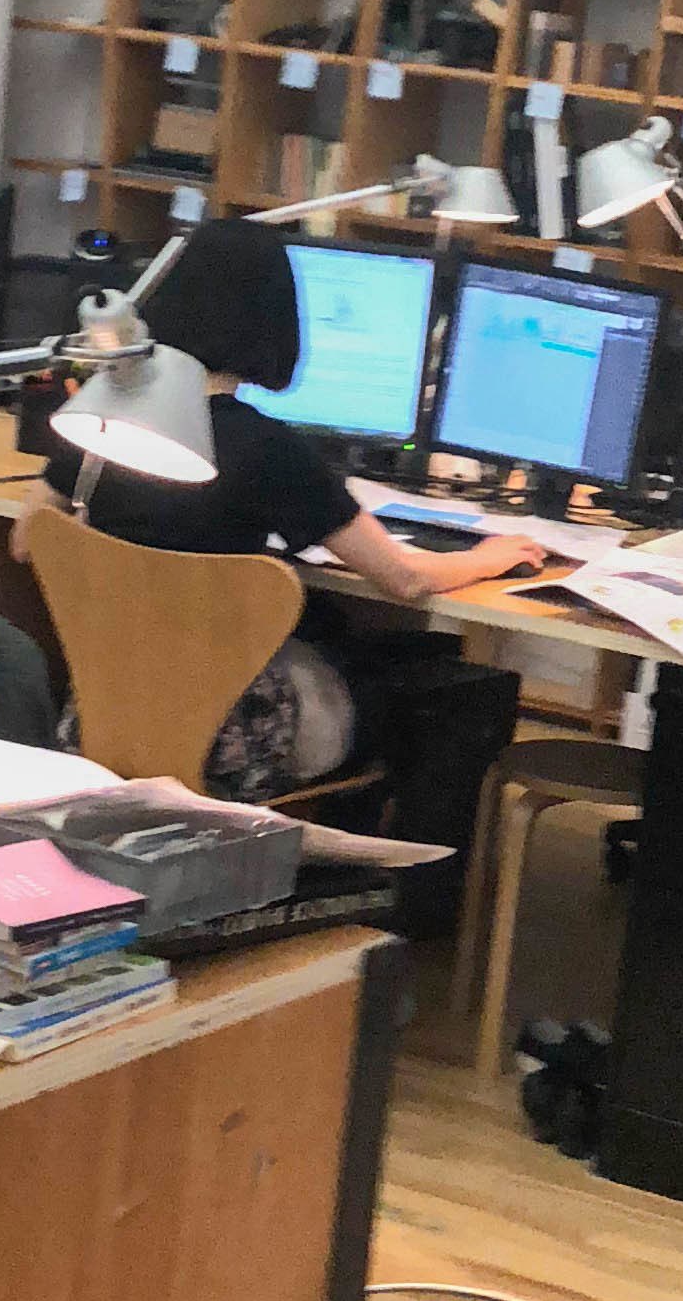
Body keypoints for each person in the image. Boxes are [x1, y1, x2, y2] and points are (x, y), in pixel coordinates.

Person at [53, 221, 524, 844]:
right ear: (273, 325)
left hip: (94, 718)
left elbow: (29, 539)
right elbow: (406, 579)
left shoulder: (100, 421)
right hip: (235, 744)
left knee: (335, 630)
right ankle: (401, 902)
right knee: (455, 689)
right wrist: (491, 558)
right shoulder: (272, 453)